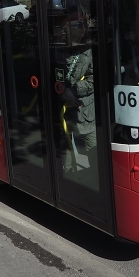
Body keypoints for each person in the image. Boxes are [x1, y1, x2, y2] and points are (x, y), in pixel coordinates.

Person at [57, 9, 96, 174]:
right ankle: (68, 177)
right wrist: (62, 91)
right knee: (65, 148)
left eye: (84, 25)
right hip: (64, 110)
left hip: (85, 111)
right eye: (78, 25)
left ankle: (94, 177)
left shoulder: (89, 50)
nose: (82, 29)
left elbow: (94, 79)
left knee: (92, 149)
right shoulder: (58, 49)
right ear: (68, 27)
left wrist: (74, 90)